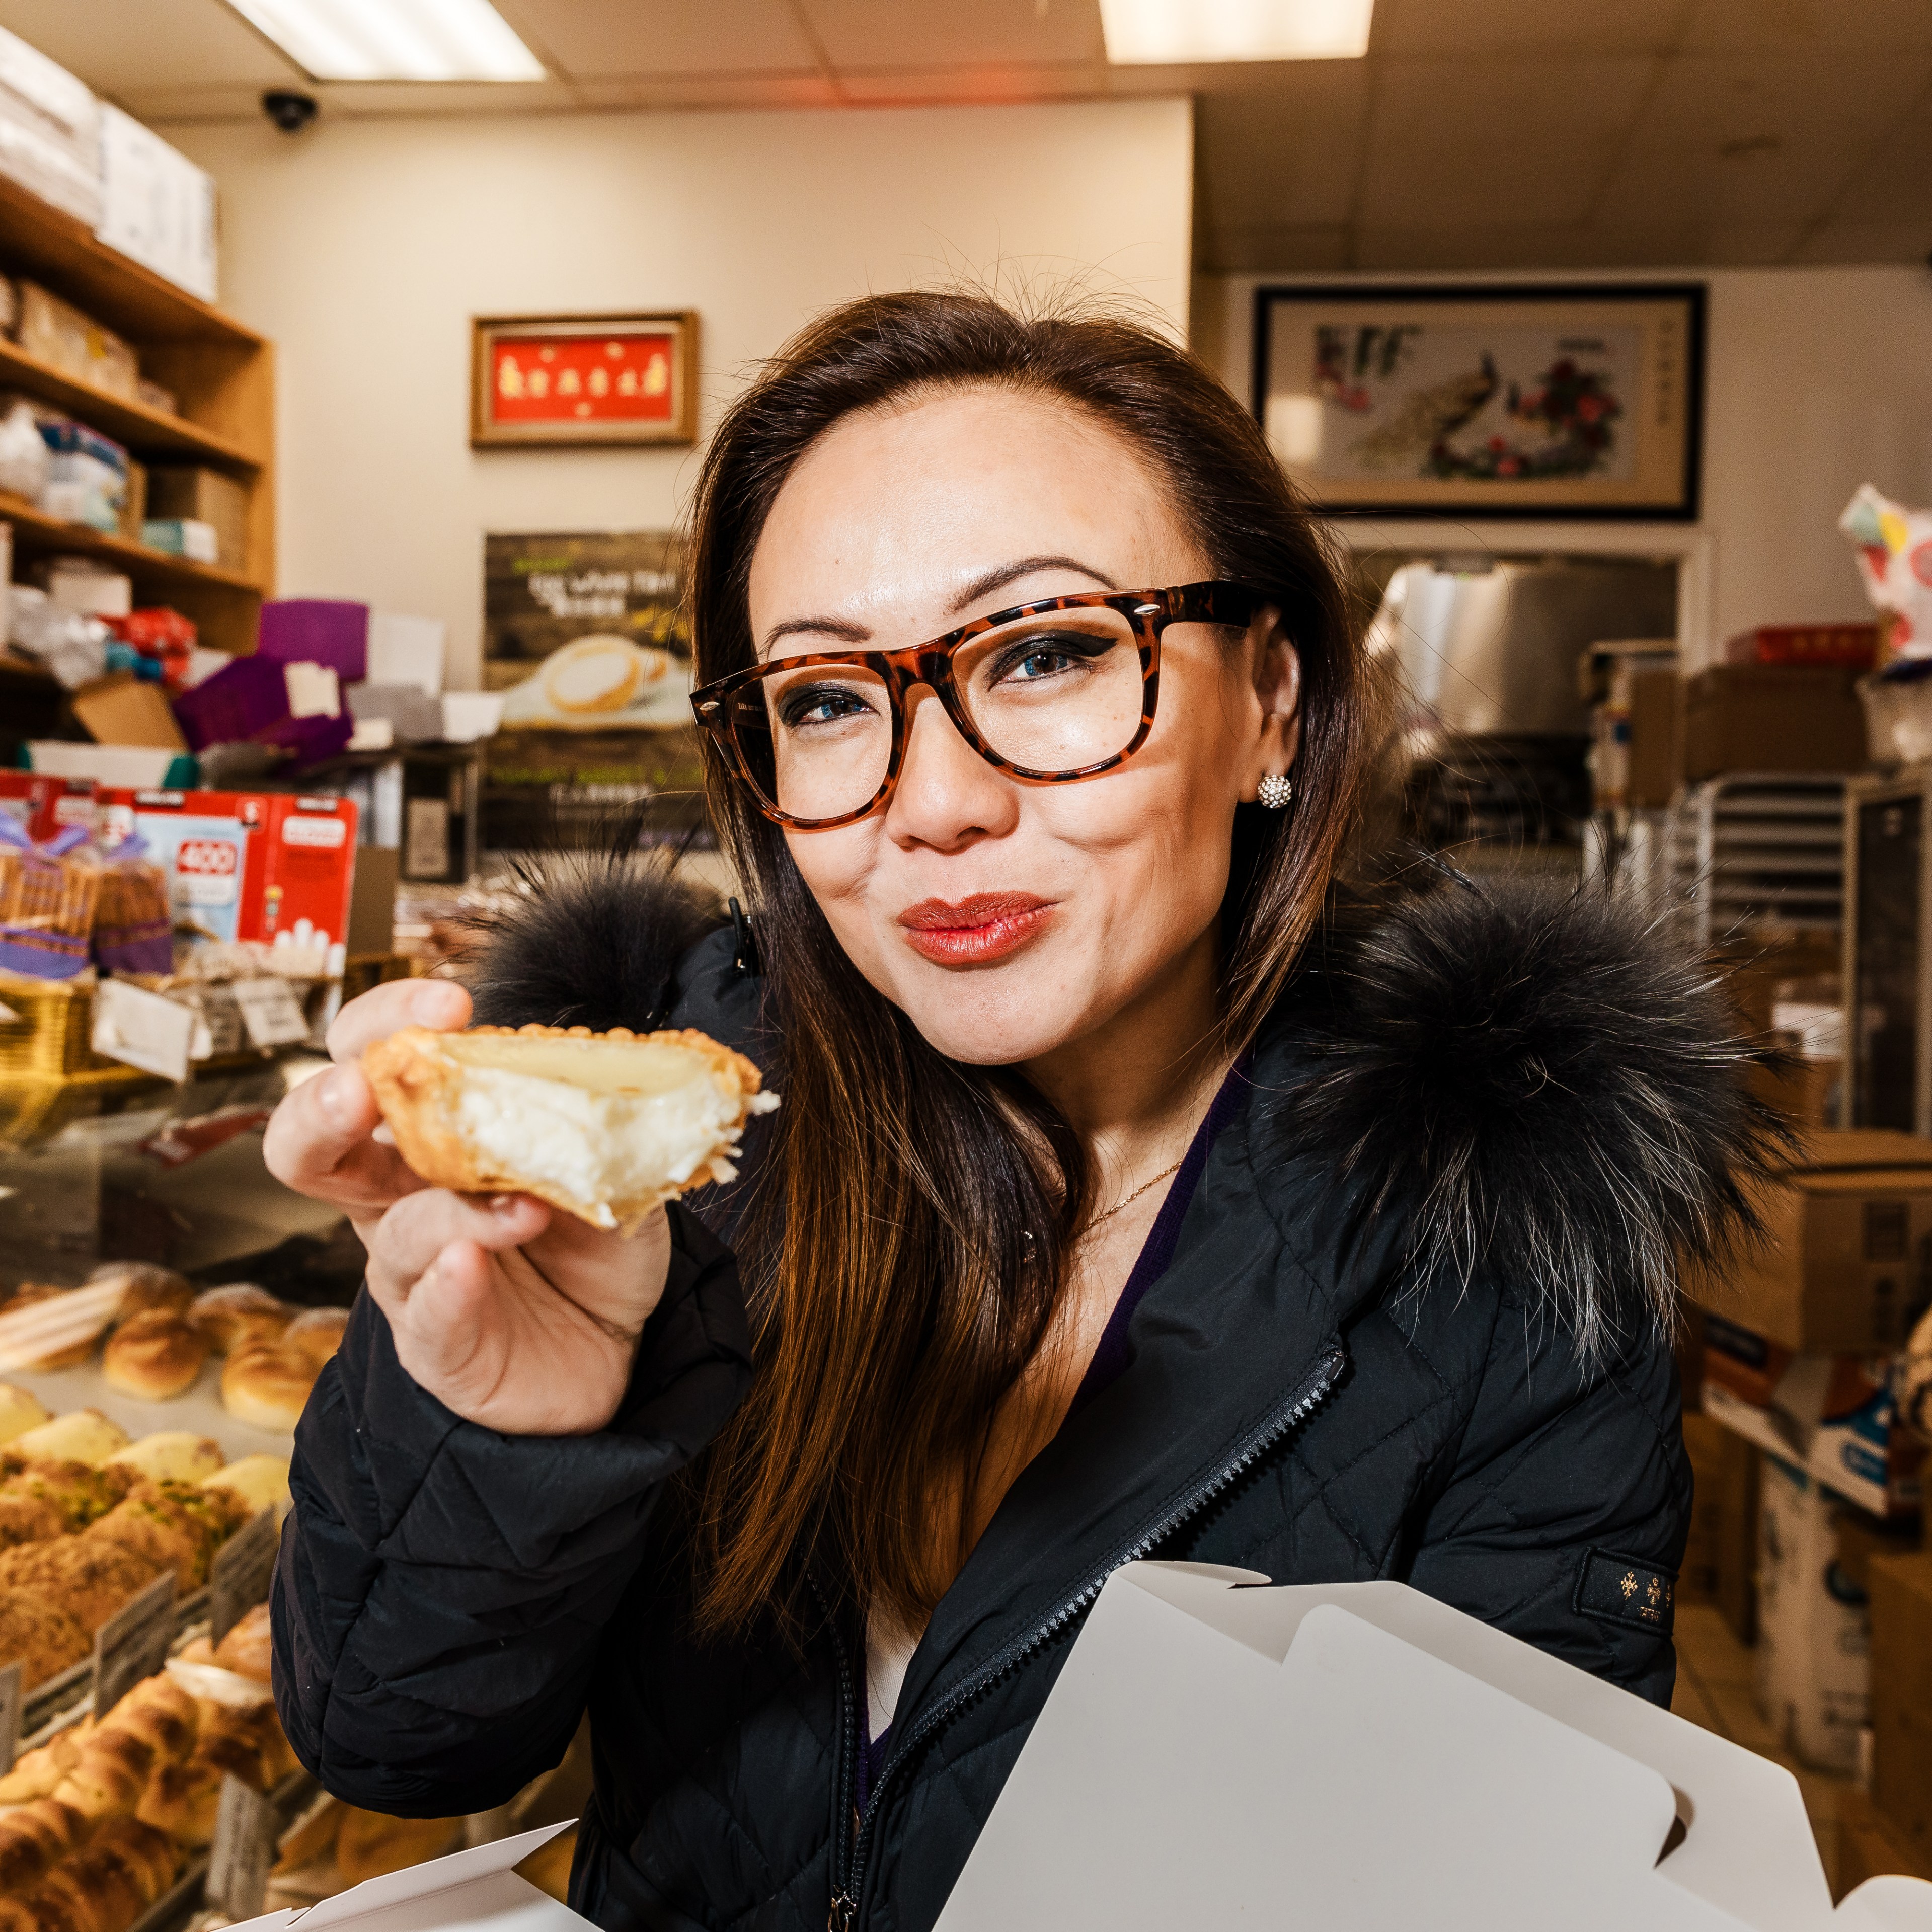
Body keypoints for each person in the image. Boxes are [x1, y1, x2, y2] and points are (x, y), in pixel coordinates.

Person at [264, 291, 1776, 1932]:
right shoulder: (641, 1152)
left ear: (1270, 698)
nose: (933, 806)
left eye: (1051, 653)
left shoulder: (1509, 1236)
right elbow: (392, 1742)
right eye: (827, 699)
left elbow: (1508, 1879)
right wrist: (508, 1425)